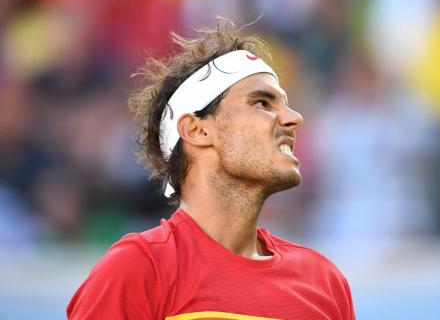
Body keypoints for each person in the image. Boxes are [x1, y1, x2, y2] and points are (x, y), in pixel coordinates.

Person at [67, 23, 356, 320]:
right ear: (197, 130)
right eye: (262, 103)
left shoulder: (325, 282)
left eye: (286, 104)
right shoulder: (138, 269)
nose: (294, 118)